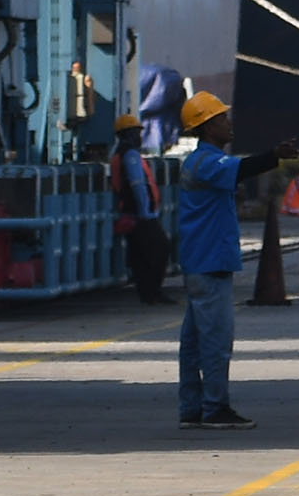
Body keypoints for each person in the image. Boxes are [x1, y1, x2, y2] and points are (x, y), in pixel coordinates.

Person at [171, 93, 254, 429]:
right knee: (217, 340)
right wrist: (275, 157)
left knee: (193, 342)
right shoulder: (206, 162)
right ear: (206, 127)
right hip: (210, 262)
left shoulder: (199, 162)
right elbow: (243, 169)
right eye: (221, 119)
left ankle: (191, 408)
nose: (228, 124)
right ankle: (216, 408)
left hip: (200, 261)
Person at [109, 109, 170, 304]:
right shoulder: (130, 155)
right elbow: (137, 184)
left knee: (140, 255)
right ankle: (153, 292)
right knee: (159, 250)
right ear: (127, 134)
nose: (139, 136)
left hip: (130, 213)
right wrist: (145, 211)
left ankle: (147, 293)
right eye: (136, 132)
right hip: (140, 215)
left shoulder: (119, 154)